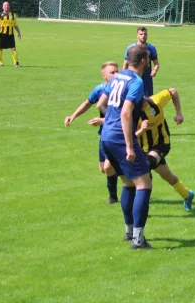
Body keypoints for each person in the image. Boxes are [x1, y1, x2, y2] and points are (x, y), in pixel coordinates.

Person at [97, 44, 153, 250]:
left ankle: (129, 231)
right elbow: (127, 113)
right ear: (144, 62)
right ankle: (138, 239)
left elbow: (102, 104)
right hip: (121, 138)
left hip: (107, 137)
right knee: (144, 184)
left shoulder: (118, 77)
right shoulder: (136, 81)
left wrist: (109, 121)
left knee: (129, 184)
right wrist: (130, 145)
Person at [64, 62, 120, 204]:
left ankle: (113, 197)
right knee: (103, 168)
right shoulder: (100, 89)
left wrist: (102, 120)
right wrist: (73, 116)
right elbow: (87, 103)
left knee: (108, 167)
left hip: (119, 133)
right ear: (104, 76)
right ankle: (125, 175)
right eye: (112, 72)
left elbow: (124, 115)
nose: (116, 74)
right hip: (105, 134)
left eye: (117, 71)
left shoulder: (122, 90)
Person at [135, 88, 195, 211]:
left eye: (144, 101)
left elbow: (173, 91)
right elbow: (128, 135)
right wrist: (141, 130)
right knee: (167, 176)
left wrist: (179, 113)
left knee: (145, 167)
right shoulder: (129, 112)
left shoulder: (155, 101)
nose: (144, 104)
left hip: (161, 144)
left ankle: (142, 207)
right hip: (142, 148)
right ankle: (187, 195)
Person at [122, 27, 159, 96]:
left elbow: (156, 63)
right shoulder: (131, 48)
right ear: (137, 35)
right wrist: (124, 76)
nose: (143, 36)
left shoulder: (151, 48)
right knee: (132, 97)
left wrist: (154, 71)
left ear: (147, 35)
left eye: (145, 34)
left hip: (147, 78)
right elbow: (125, 63)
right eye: (141, 34)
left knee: (148, 100)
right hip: (133, 77)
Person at [0, 1, 22, 67]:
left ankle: (16, 63)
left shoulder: (13, 15)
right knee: (0, 48)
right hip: (2, 35)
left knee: (13, 48)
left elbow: (15, 25)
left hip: (10, 35)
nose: (6, 6)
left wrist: (19, 33)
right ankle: (0, 62)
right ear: (3, 7)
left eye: (7, 5)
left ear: (9, 6)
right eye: (5, 5)